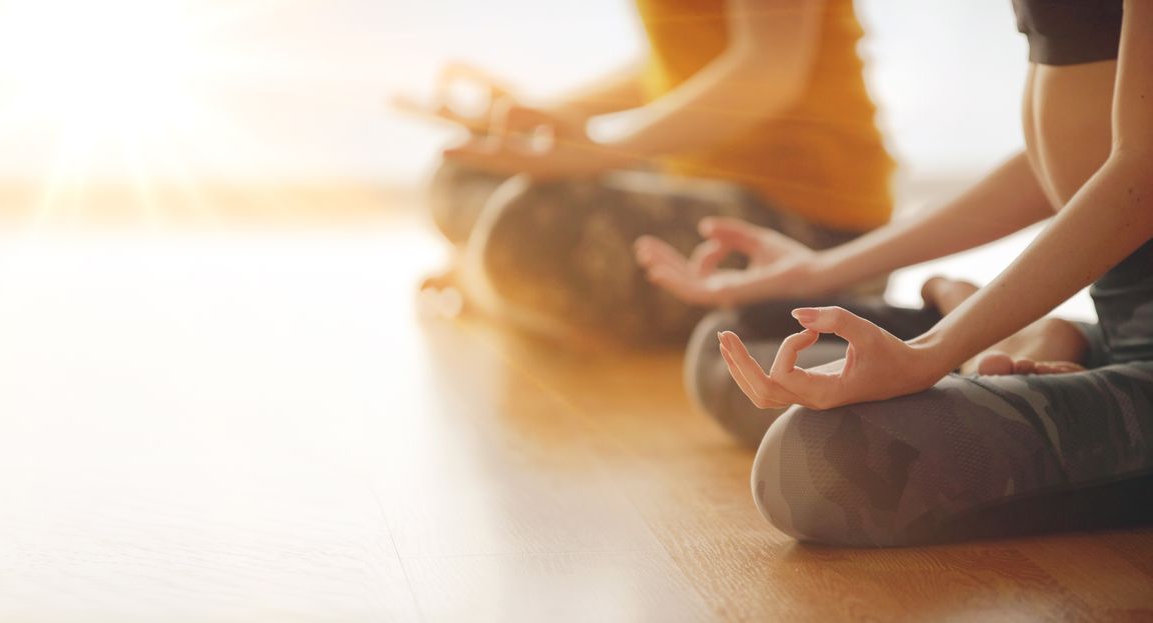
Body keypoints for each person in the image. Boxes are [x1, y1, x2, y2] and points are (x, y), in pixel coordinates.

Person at [640, 0, 1152, 546]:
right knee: (742, 336)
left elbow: (1140, 175)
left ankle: (1008, 336)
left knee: (814, 466)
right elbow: (1071, 154)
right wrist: (820, 270)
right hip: (1120, 330)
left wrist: (934, 349)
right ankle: (1043, 336)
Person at [413, 0, 895, 346]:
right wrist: (535, 116)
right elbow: (675, 67)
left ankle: (491, 279)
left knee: (526, 223)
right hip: (696, 177)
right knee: (461, 170)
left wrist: (601, 151)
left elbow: (767, 71)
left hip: (814, 228)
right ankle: (504, 284)